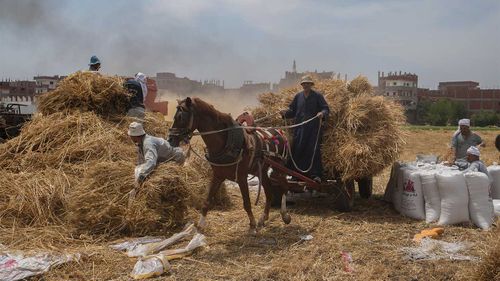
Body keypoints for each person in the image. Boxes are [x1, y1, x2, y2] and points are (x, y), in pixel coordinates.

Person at [280, 75, 329, 182]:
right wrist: (284, 113)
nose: (306, 85)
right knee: (297, 149)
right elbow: (292, 111)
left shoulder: (317, 96)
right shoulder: (298, 96)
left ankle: (316, 175)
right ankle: (296, 174)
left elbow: (325, 108)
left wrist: (322, 113)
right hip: (300, 129)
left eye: (308, 83)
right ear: (302, 85)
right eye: (304, 83)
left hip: (313, 129)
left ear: (311, 85)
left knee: (313, 150)